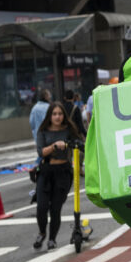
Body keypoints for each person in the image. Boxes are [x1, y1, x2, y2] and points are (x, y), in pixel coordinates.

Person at [34, 102, 84, 250]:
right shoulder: (43, 131)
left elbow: (80, 143)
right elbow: (40, 152)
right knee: (41, 207)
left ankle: (52, 239)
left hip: (63, 172)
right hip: (46, 171)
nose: (57, 117)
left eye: (60, 114)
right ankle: (42, 232)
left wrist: (70, 144)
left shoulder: (69, 129)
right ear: (50, 115)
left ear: (64, 116)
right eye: (54, 114)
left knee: (56, 208)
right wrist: (55, 145)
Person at [30, 89, 51, 164]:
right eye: (49, 95)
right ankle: (35, 165)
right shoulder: (48, 107)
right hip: (48, 135)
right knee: (46, 154)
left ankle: (37, 167)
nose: (50, 96)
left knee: (42, 152)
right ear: (45, 96)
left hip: (37, 135)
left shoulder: (34, 108)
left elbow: (31, 123)